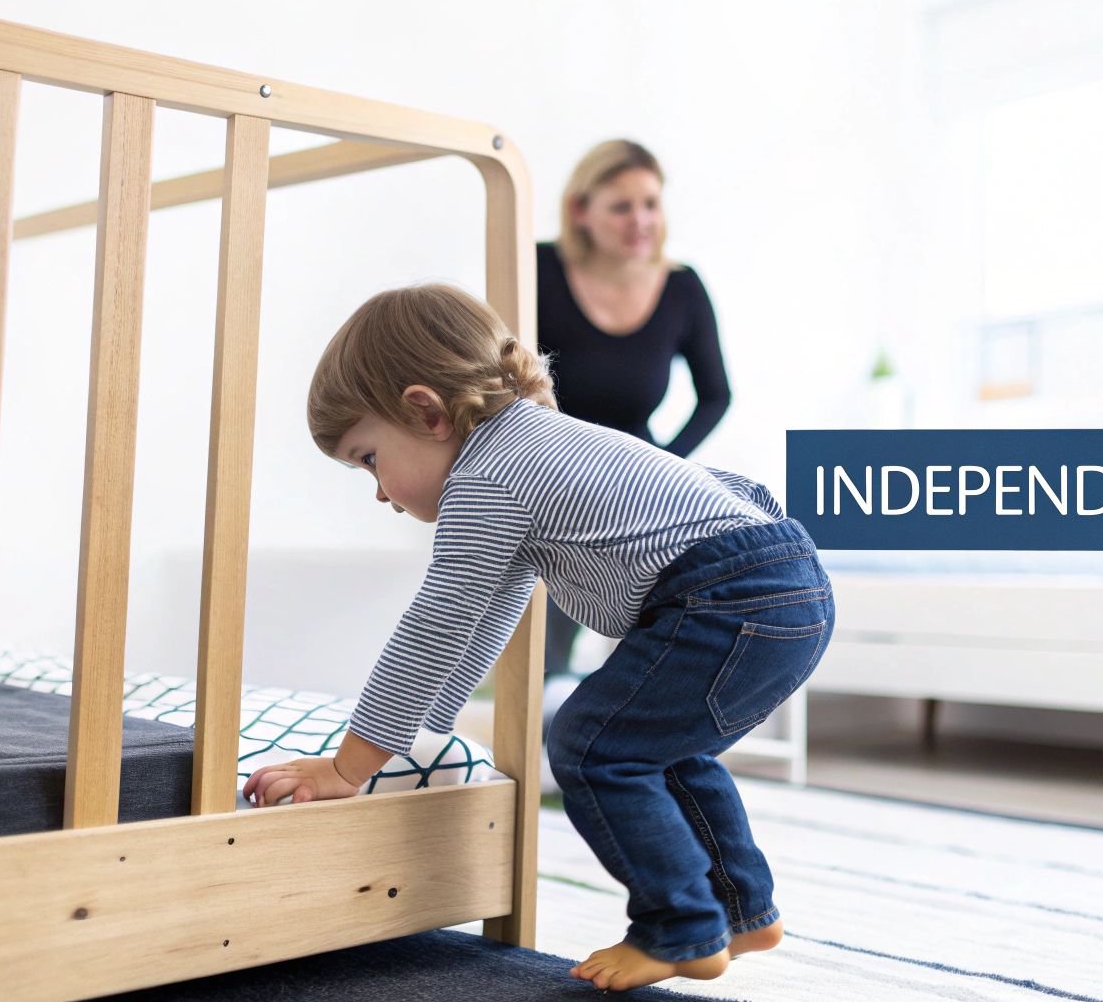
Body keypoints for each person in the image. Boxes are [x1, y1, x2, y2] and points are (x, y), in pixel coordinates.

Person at [245, 284, 833, 992]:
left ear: (425, 411)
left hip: (730, 591)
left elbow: (435, 623)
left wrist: (350, 766)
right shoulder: (530, 443)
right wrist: (428, 729)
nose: (378, 491)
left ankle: (681, 930)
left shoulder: (488, 475)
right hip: (784, 580)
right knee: (657, 747)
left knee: (589, 742)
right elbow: (494, 604)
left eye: (369, 458)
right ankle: (742, 911)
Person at [538, 139, 731, 678]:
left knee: (662, 605)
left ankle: (632, 715)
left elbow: (716, 395)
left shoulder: (682, 287)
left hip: (636, 475)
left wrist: (665, 464)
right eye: (621, 206)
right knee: (551, 620)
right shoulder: (538, 268)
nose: (640, 220)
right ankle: (543, 712)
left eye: (650, 203)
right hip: (553, 472)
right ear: (581, 211)